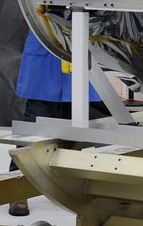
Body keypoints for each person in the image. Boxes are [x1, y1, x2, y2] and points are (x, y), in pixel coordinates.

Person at [8, 32, 107, 216]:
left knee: (77, 132)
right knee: (32, 131)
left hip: (77, 50)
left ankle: (70, 187)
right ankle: (17, 189)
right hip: (45, 51)